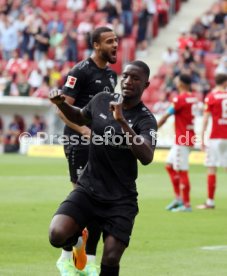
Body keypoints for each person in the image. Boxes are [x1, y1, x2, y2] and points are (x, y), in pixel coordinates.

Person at [49, 60, 157, 276]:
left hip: (121, 199)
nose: (128, 81)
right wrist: (61, 104)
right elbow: (79, 116)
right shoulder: (101, 100)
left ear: (146, 85)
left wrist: (123, 122)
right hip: (88, 188)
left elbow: (147, 156)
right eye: (125, 76)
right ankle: (79, 240)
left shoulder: (146, 120)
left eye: (135, 78)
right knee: (57, 234)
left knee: (110, 256)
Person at [56, 26, 118, 276]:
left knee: (100, 198)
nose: (115, 45)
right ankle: (65, 258)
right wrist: (83, 131)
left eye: (116, 40)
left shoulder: (113, 76)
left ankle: (89, 259)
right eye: (109, 41)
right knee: (82, 201)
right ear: (96, 45)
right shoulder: (80, 72)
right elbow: (61, 109)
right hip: (79, 144)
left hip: (101, 145)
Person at [158, 74, 198, 212]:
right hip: (187, 136)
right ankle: (178, 199)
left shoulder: (179, 99)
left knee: (182, 170)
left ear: (181, 83)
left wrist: (153, 128)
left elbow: (166, 116)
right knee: (169, 166)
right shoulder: (193, 98)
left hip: (183, 138)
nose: (175, 82)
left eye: (177, 80)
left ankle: (186, 205)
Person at [197, 74, 227, 209]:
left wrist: (202, 138)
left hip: (215, 137)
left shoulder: (211, 97)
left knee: (211, 168)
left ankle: (210, 202)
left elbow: (205, 120)